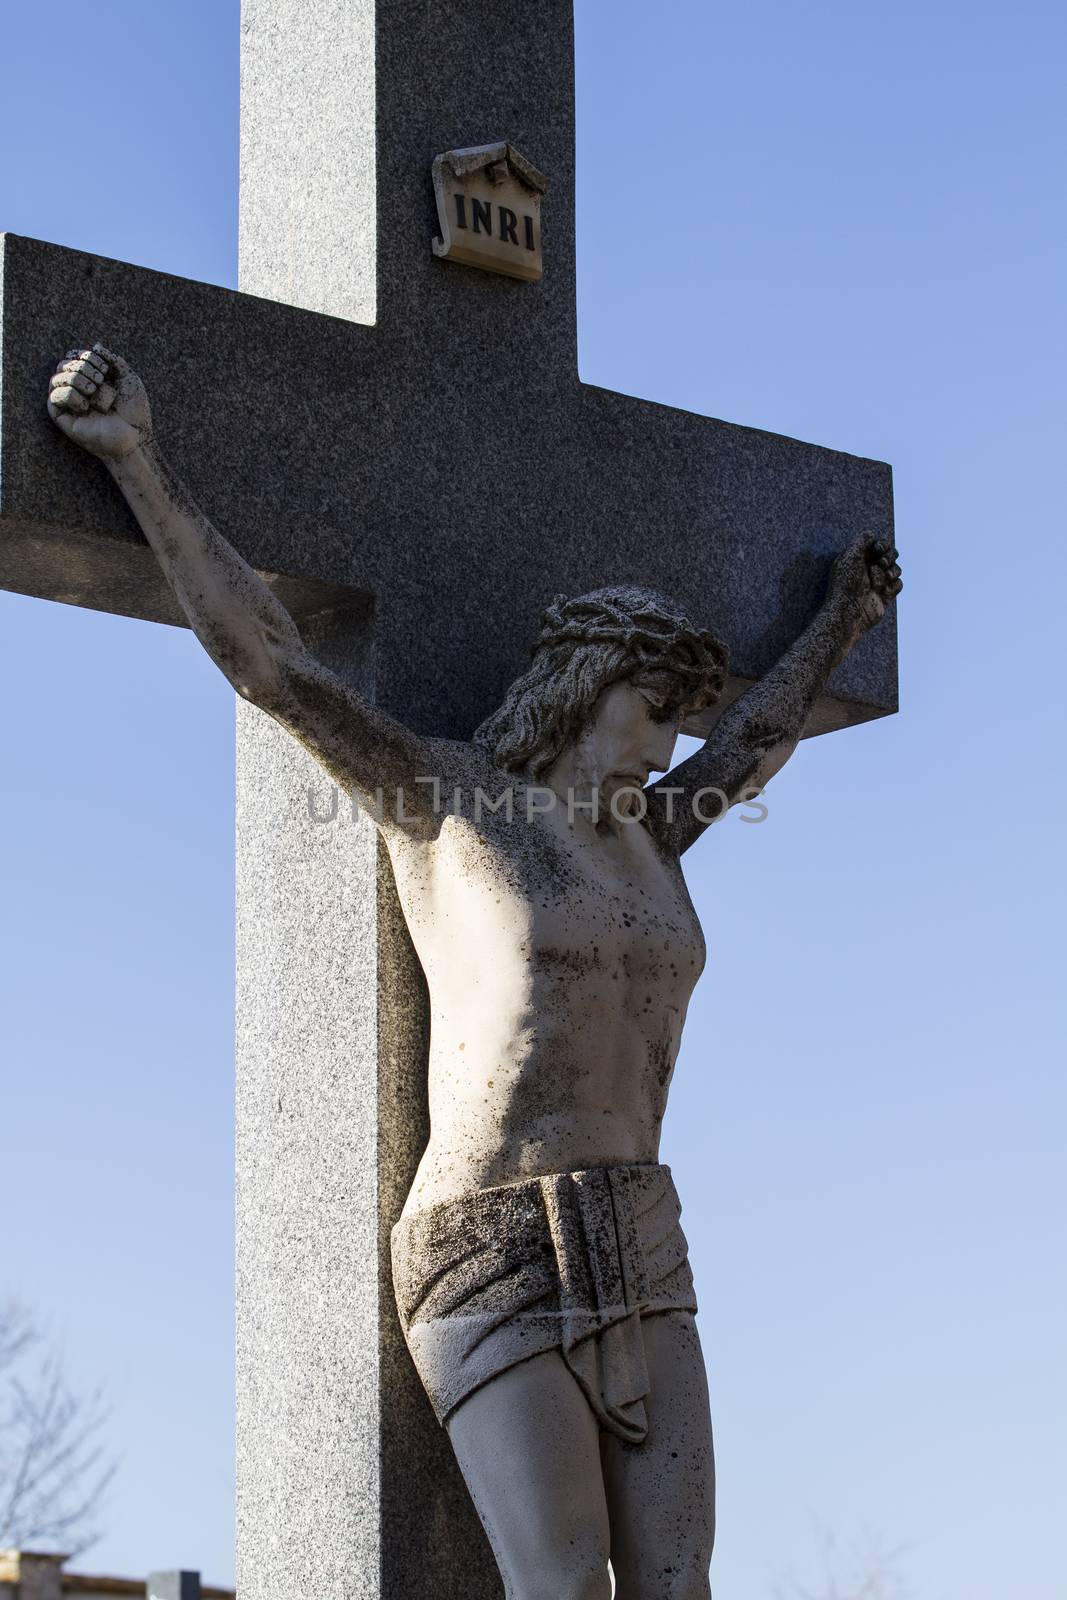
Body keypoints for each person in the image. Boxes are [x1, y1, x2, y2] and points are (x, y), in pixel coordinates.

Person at [48, 345, 901, 1600]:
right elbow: (273, 664)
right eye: (650, 707)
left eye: (677, 718)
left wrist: (841, 618)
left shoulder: (657, 834)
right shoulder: (451, 807)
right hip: (488, 1235)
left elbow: (760, 739)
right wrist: (138, 463)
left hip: (639, 1225)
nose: (668, 743)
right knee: (557, 1586)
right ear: (580, 687)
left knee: (678, 1585)